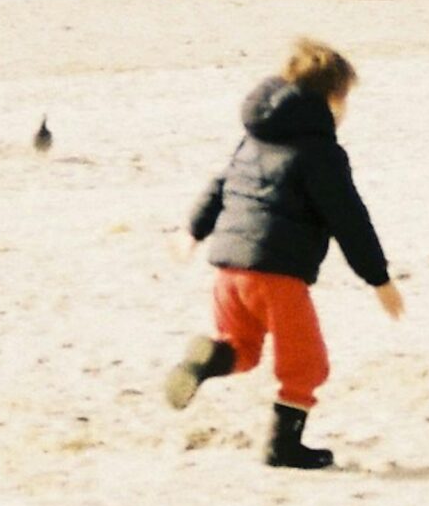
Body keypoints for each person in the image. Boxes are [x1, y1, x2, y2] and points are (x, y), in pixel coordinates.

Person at [166, 37, 405, 469]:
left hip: (228, 268)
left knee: (242, 349)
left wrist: (192, 230)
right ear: (332, 98)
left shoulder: (254, 139)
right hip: (277, 276)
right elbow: (348, 218)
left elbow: (221, 185)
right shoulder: (322, 153)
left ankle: (206, 362)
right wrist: (378, 279)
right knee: (306, 366)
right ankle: (284, 447)